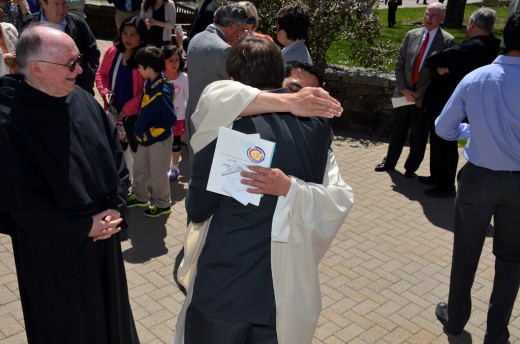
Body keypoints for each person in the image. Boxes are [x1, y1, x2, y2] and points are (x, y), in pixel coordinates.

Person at [174, 35, 353, 344]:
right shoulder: (317, 129)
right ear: (278, 74)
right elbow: (338, 197)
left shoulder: (228, 127)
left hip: (225, 287)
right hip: (281, 292)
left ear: (232, 79)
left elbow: (199, 208)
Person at [0, 24, 139, 343]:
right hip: (53, 250)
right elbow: (19, 200)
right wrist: (79, 228)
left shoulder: (80, 98)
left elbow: (115, 153)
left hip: (103, 234)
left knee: (111, 321)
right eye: (71, 64)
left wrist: (114, 209)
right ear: (36, 68)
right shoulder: (7, 119)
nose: (81, 70)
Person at [434, 12, 520, 344]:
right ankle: (496, 334)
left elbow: (443, 128)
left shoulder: (477, 78)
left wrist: (473, 131)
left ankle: (455, 320)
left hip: (479, 179)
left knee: (466, 251)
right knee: (511, 259)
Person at [419, 7, 500, 198]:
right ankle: (437, 176)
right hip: (458, 98)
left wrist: (448, 70)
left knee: (445, 141)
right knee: (439, 141)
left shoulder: (473, 46)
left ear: (472, 23)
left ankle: (445, 185)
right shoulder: (489, 45)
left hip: (450, 100)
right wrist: (451, 69)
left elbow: (434, 59)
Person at [374, 2, 454, 178]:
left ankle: (411, 167)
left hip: (423, 97)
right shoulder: (411, 35)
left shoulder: (447, 41)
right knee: (398, 130)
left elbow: (437, 75)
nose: (428, 18)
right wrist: (404, 89)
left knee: (419, 135)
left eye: (433, 15)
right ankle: (389, 161)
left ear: (442, 18)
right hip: (404, 94)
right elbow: (399, 65)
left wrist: (419, 93)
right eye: (427, 14)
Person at [95, 16, 148, 184]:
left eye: (133, 35)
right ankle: (124, 179)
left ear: (141, 37)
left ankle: (139, 184)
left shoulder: (145, 57)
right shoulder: (113, 50)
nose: (127, 38)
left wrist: (130, 108)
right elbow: (101, 74)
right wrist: (105, 92)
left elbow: (149, 88)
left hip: (135, 114)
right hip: (114, 111)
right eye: (125, 33)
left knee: (136, 150)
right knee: (117, 146)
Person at [185, 2, 247, 141]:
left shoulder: (196, 38)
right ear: (233, 26)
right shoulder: (223, 50)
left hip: (192, 114)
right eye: (241, 29)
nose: (240, 34)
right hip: (209, 121)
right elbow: (236, 86)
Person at [127, 45, 176, 217]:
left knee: (158, 174)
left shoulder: (162, 91)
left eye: (140, 67)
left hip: (159, 141)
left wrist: (149, 134)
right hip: (144, 139)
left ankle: (163, 204)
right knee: (140, 168)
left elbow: (170, 120)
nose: (138, 70)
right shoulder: (151, 82)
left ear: (148, 68)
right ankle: (140, 196)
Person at [22, 0, 100, 95]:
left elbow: (93, 54)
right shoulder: (29, 24)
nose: (62, 9)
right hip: (40, 94)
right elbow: (22, 56)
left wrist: (87, 81)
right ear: (43, 3)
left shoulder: (78, 24)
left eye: (63, 3)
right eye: (57, 4)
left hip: (76, 92)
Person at [163, 45, 188, 181]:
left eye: (176, 60)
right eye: (170, 60)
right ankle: (162, 166)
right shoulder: (159, 77)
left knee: (175, 143)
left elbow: (188, 98)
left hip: (178, 117)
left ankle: (174, 167)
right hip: (161, 118)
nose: (174, 64)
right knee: (162, 143)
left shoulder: (184, 78)